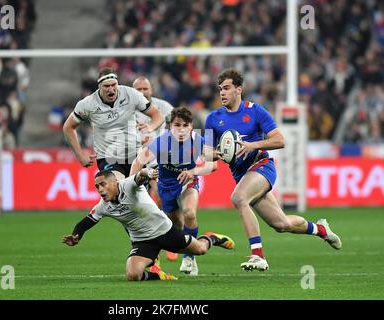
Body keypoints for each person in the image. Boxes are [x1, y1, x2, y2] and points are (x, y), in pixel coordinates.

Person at [204, 68, 342, 271]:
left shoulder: (255, 111)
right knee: (281, 224)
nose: (222, 93)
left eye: (226, 88)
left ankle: (257, 255)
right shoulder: (213, 119)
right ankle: (320, 229)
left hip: (261, 166)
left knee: (239, 198)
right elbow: (206, 153)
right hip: (241, 174)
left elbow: (279, 140)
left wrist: (252, 145)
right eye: (220, 89)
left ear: (238, 89)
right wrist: (222, 153)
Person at [62, 169, 234, 281]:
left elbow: (139, 176)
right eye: (96, 186)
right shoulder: (102, 206)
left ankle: (212, 238)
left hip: (165, 231)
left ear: (114, 182)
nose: (99, 189)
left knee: (201, 250)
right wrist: (77, 235)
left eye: (102, 184)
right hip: (143, 241)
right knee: (132, 274)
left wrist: (147, 173)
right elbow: (86, 222)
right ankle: (159, 276)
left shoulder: (128, 185)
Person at [130, 107, 218, 276]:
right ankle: (199, 242)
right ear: (170, 126)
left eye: (185, 125)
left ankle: (189, 258)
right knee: (176, 229)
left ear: (191, 126)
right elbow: (138, 162)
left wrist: (193, 172)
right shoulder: (161, 142)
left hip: (188, 183)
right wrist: (130, 187)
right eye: (177, 125)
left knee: (190, 213)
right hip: (166, 187)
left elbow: (212, 165)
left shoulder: (197, 141)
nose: (181, 129)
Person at [63, 68, 164, 179]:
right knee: (117, 187)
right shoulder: (87, 104)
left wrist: (150, 127)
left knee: (138, 190)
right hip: (108, 158)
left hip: (135, 155)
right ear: (99, 87)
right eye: (106, 86)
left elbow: (157, 115)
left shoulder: (131, 94)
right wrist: (80, 155)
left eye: (113, 85)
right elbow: (68, 127)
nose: (111, 89)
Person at [133, 76, 174, 209]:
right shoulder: (127, 110)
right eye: (138, 89)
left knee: (159, 193)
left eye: (145, 88)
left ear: (151, 90)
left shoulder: (164, 107)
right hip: (134, 157)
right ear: (132, 91)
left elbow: (179, 124)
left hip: (158, 157)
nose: (142, 92)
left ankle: (165, 222)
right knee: (136, 199)